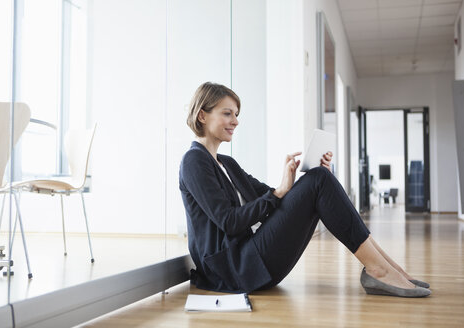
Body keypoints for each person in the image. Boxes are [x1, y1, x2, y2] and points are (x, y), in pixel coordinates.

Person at [179, 82, 430, 297]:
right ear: (203, 116)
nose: (235, 121)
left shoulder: (227, 164)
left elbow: (273, 200)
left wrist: (291, 181)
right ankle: (380, 271)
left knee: (319, 177)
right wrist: (281, 191)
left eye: (236, 114)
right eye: (227, 113)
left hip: (251, 260)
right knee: (318, 181)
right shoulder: (194, 161)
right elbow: (230, 222)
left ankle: (388, 267)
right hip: (234, 270)